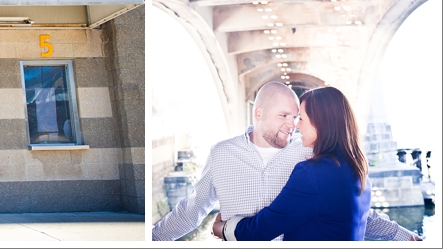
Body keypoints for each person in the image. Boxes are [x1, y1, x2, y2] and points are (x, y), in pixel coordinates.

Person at [152, 81, 416, 241]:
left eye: (297, 116)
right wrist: (151, 239)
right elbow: (192, 209)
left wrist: (406, 237)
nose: (293, 125)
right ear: (259, 113)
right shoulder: (222, 154)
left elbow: (357, 213)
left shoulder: (311, 158)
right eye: (284, 116)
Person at [214, 86, 377, 240]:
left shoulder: (312, 174)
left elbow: (262, 229)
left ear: (320, 124)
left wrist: (222, 229)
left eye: (301, 119)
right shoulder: (358, 171)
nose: (296, 126)